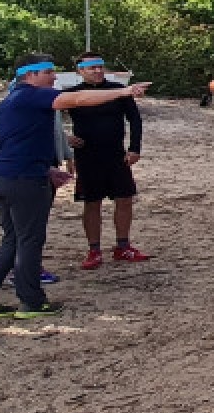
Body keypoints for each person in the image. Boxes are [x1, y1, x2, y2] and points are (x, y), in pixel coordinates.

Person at [0, 54, 150, 323]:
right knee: (29, 241)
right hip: (22, 180)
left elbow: (19, 142)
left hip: (6, 175)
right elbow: (79, 99)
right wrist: (124, 91)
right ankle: (31, 301)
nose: (54, 77)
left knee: (12, 241)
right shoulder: (30, 95)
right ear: (30, 75)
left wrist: (46, 169)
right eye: (48, 72)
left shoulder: (13, 100)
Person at [62, 51, 149, 270]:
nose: (98, 71)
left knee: (124, 198)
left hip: (116, 154)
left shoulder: (119, 91)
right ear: (80, 71)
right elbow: (45, 119)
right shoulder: (72, 94)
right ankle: (94, 250)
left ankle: (123, 246)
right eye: (92, 68)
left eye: (100, 67)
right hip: (87, 155)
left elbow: (135, 120)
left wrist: (135, 148)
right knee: (92, 203)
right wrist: (64, 139)